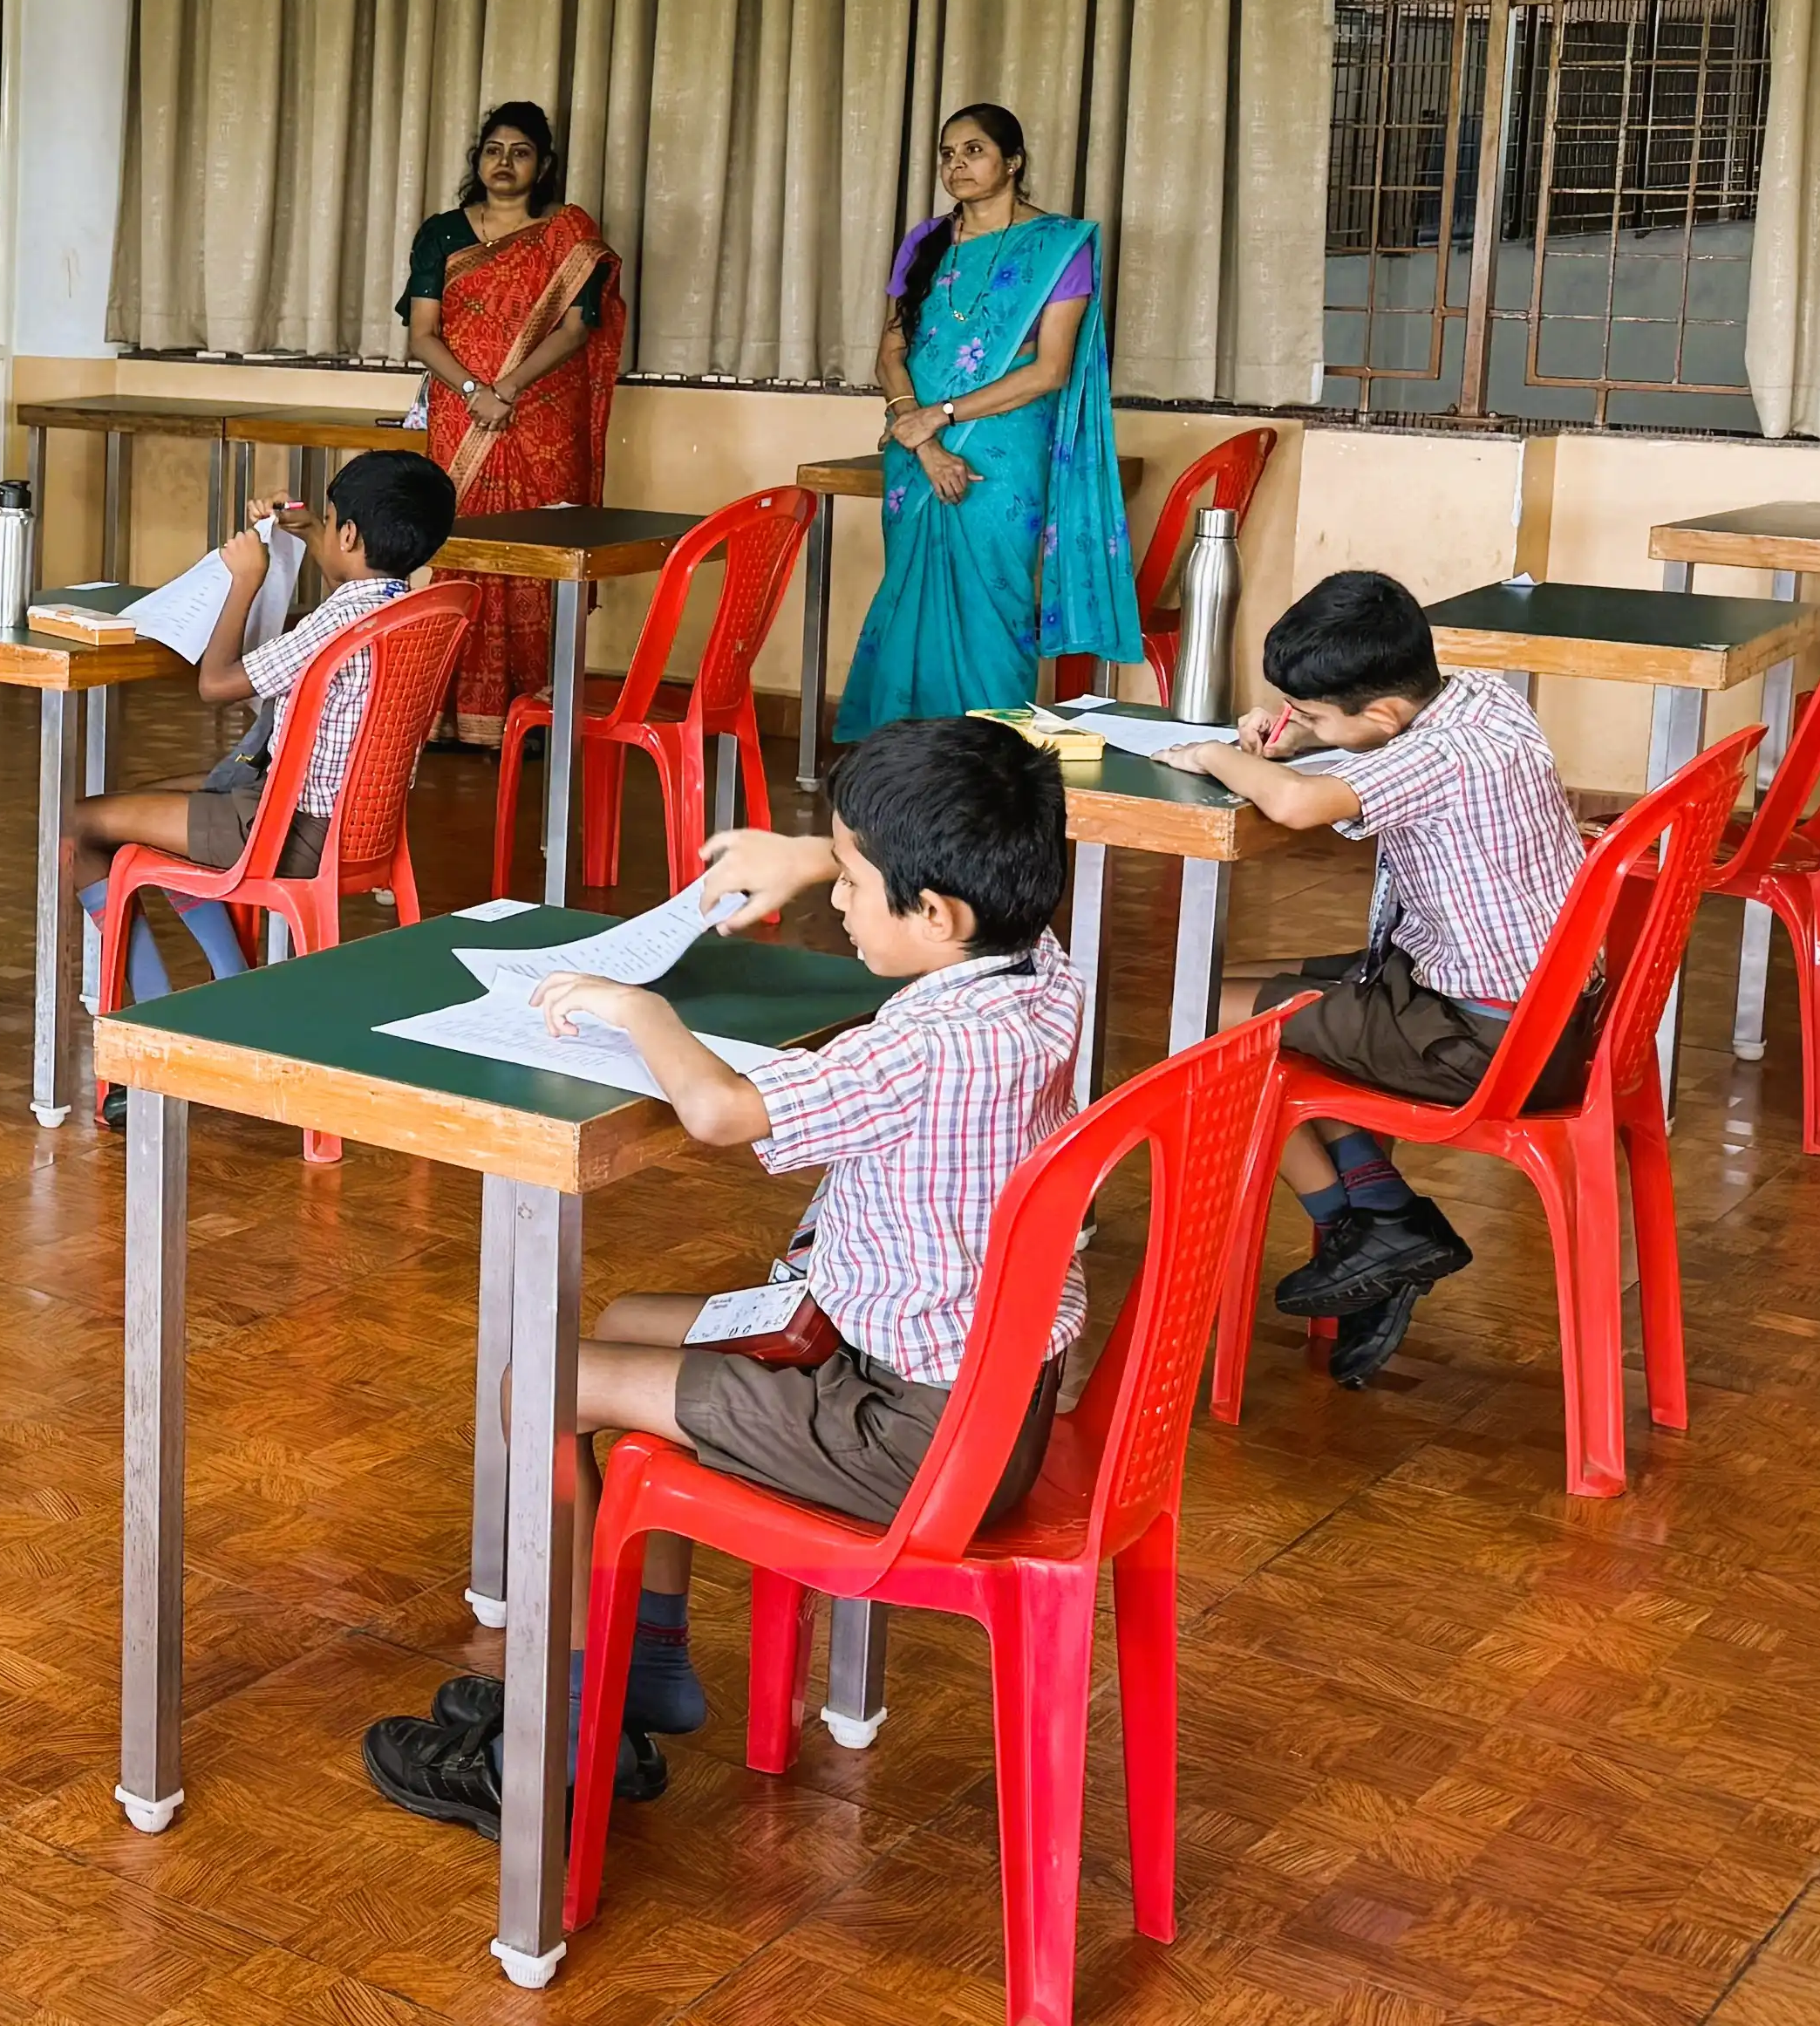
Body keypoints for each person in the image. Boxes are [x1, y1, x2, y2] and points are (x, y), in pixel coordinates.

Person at [359, 718, 1083, 1835]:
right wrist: (814, 853)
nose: (836, 898)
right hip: (993, 1393)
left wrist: (637, 1007)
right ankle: (639, 1677)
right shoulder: (1040, 975)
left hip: (908, 1430)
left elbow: (718, 1111)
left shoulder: (919, 1047)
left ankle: (550, 1744)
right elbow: (941, 897)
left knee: (537, 1386)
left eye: (850, 879)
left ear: (936, 914)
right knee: (619, 1323)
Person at [1169, 570, 1585, 1387]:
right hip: (1539, 1011)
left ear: (1385, 713)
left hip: (1480, 1038)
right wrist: (1308, 739)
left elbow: (1292, 807)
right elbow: (1330, 766)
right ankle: (1376, 1213)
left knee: (1208, 1021)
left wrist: (1219, 753)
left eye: (1316, 713)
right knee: (1225, 982)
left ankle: (1366, 1218)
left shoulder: (1438, 753)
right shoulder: (1480, 701)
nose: (1301, 723)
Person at [65, 448, 459, 1024]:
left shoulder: (335, 622)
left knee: (77, 823)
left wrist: (244, 580)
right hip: (354, 821)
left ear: (348, 534)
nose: (319, 530)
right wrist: (305, 520)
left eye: (327, 521)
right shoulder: (411, 608)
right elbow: (345, 561)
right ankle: (233, 982)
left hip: (287, 829)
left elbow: (216, 683)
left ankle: (147, 1016)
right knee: (164, 803)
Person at [835, 103, 1139, 734]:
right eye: (948, 154)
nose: (957, 165)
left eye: (973, 151)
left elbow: (1049, 369)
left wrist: (940, 416)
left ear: (1013, 162)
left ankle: (992, 763)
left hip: (1001, 455)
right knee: (907, 602)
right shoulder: (925, 243)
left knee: (996, 605)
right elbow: (891, 353)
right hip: (916, 454)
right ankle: (904, 767)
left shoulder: (1058, 247)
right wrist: (921, 439)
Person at [399, 103, 621, 733]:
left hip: (540, 417)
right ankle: (450, 716)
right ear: (478, 159)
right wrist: (474, 389)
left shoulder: (567, 237)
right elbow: (423, 334)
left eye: (519, 151)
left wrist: (508, 387)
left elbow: (577, 329)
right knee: (459, 545)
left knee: (538, 553)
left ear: (543, 164)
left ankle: (535, 715)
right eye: (492, 148)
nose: (503, 161)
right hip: (461, 411)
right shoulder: (442, 233)